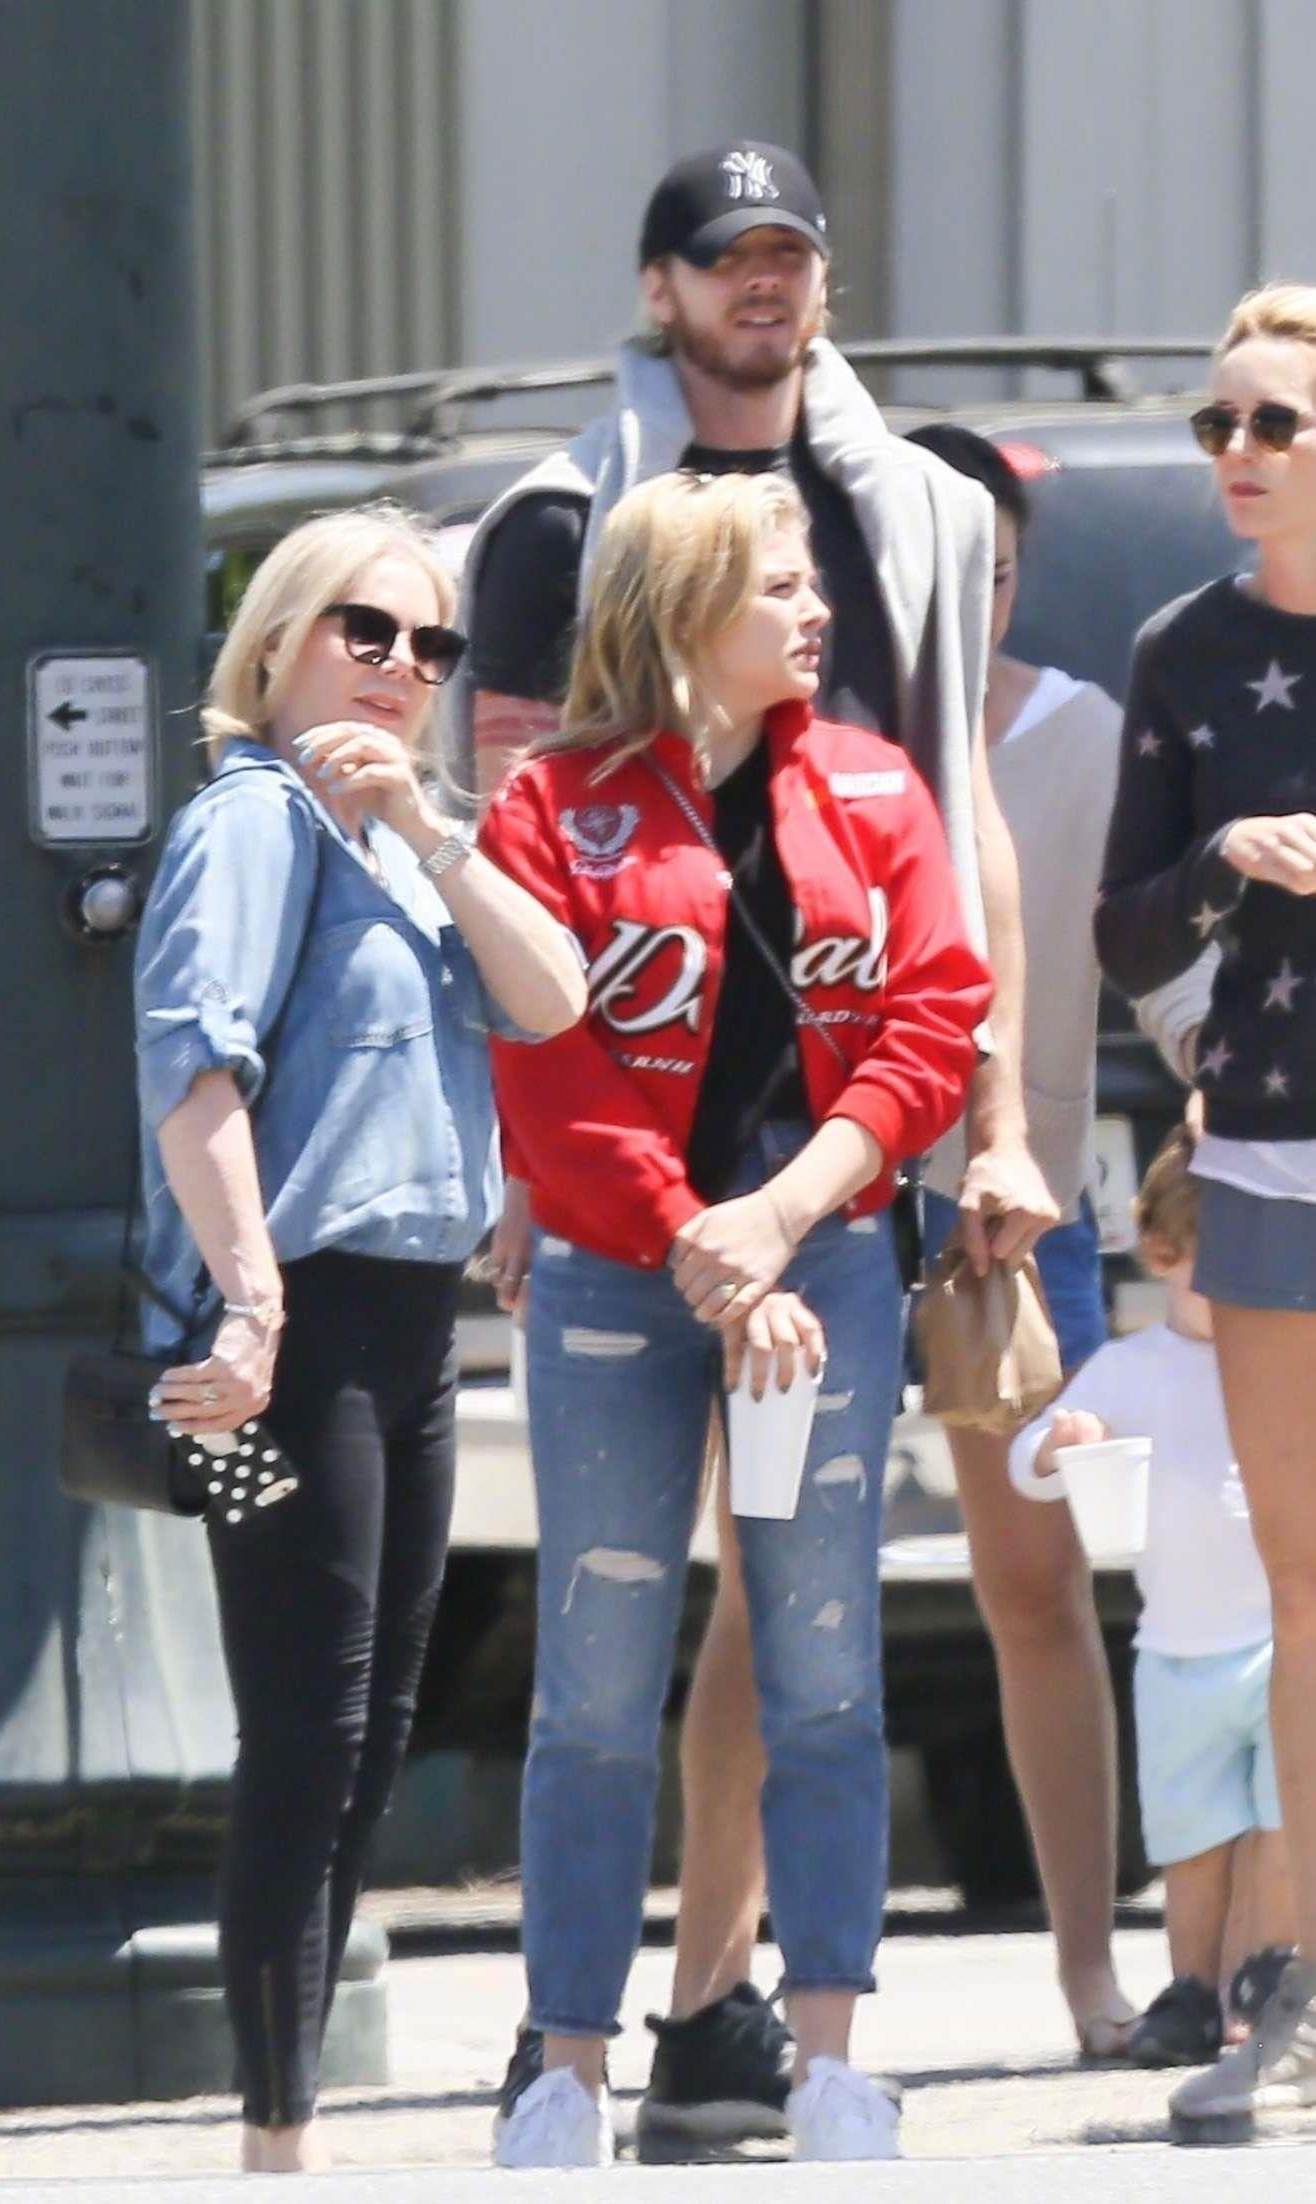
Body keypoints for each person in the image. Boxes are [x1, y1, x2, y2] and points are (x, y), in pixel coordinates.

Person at [460, 138, 1058, 2142]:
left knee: (822, 1663)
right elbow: (548, 1061)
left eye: (812, 579)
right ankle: (564, 2063)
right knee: (595, 1668)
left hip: (823, 1276)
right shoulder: (555, 803)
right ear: (691, 603)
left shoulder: (875, 785)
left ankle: (830, 2060)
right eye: (783, 590)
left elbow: (934, 1011)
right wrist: (690, 1242)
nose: (817, 612)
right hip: (625, 1277)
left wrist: (788, 1217)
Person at [133, 507, 585, 2174]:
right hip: (294, 1325)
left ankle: (292, 2116)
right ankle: (278, 2140)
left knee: (369, 1738)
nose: (402, 667)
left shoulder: (387, 832)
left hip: (408, 1328)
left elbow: (556, 995)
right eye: (366, 631)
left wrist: (426, 820)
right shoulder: (251, 821)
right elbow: (196, 1078)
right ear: (277, 642)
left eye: (431, 645)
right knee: (307, 1735)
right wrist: (251, 1304)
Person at [1096, 281, 1316, 2132]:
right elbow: (1120, 929)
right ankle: (1290, 1990)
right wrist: (1224, 865)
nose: (1234, 453)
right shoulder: (1181, 650)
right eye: (1215, 424)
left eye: (1272, 424)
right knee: (1298, 1591)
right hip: (1261, 1154)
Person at [902, 423, 1138, 2055]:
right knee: (769, 1598)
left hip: (1015, 1205)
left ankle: (1090, 1974)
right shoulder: (804, 737)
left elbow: (1165, 961)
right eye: (927, 570)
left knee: (1038, 1586)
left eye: (986, 573)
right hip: (827, 1209)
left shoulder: (1084, 737)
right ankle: (731, 1993)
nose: (959, 603)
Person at [1011, 1128, 1293, 2067]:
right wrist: (1063, 1444)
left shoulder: (1288, 1358)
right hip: (1176, 1649)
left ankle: (1264, 1980)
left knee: (1281, 1822)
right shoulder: (1131, 1369)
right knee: (1192, 1835)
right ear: (1163, 1253)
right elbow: (1029, 1455)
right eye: (1227, 1257)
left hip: (1282, 1642)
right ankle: (1192, 1990)